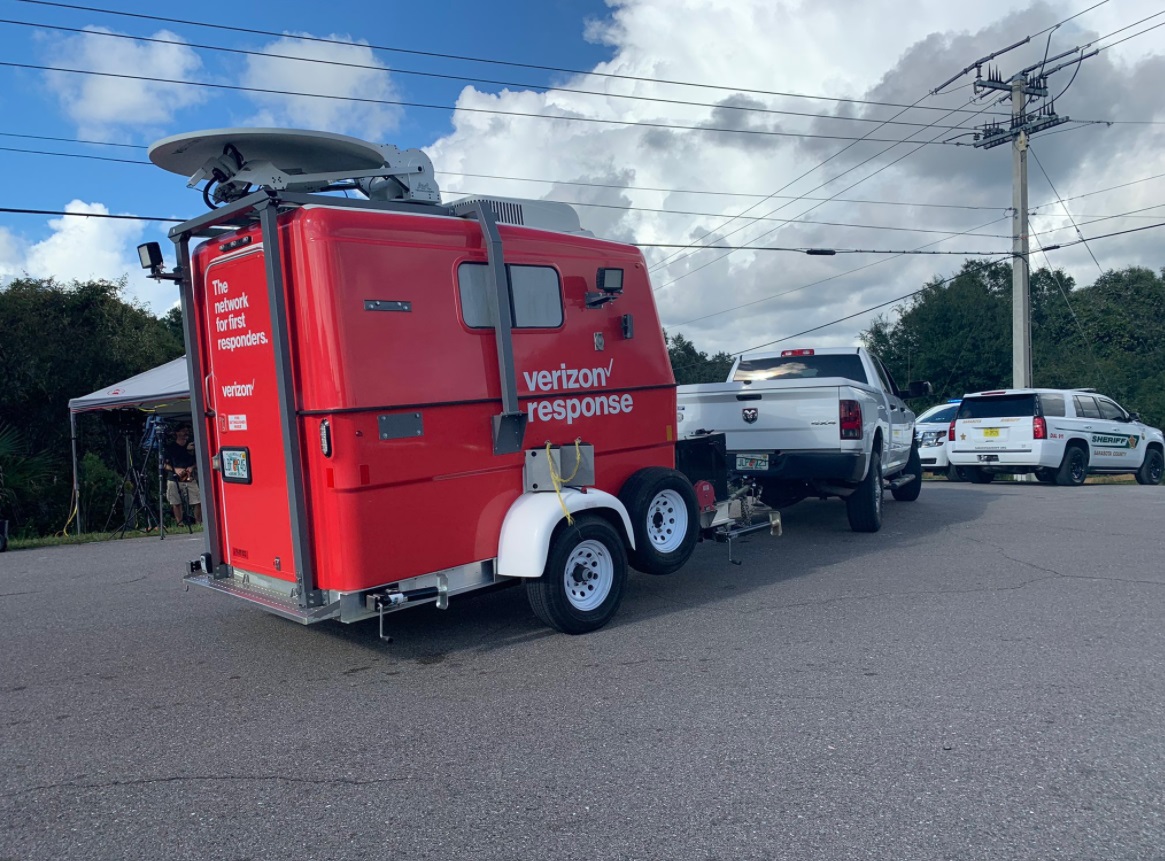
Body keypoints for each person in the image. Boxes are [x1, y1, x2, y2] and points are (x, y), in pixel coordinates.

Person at [163, 425, 202, 525]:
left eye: (187, 431)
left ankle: (198, 522)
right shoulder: (170, 447)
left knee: (197, 501)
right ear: (177, 433)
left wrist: (192, 467)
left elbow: (200, 460)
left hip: (189, 477)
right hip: (174, 478)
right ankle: (180, 523)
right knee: (176, 502)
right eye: (183, 430)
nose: (186, 433)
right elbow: (164, 464)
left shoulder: (192, 445)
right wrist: (175, 469)